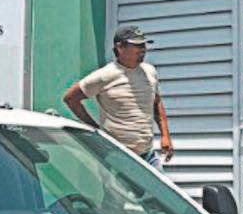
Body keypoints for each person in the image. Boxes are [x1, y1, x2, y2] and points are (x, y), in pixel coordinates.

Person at [64, 24, 174, 166]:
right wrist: (94, 128)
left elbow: (156, 102)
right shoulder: (105, 75)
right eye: (137, 45)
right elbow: (70, 99)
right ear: (120, 47)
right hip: (116, 156)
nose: (143, 49)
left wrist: (165, 136)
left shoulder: (149, 71)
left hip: (148, 155)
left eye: (144, 45)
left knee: (160, 181)